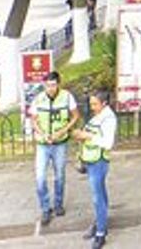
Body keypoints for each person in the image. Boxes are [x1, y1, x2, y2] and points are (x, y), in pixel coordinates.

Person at [29, 71, 81, 224]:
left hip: (60, 142)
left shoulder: (66, 97)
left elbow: (75, 115)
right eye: (47, 85)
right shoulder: (39, 99)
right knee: (40, 177)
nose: (50, 88)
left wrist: (63, 131)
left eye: (53, 85)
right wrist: (42, 134)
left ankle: (58, 204)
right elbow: (33, 120)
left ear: (58, 84)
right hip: (43, 143)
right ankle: (45, 208)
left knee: (60, 176)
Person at [72, 89, 117, 249]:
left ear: (104, 103)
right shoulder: (98, 116)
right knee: (100, 195)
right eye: (91, 104)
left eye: (95, 104)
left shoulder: (108, 119)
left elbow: (107, 142)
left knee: (97, 197)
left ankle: (101, 233)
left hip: (99, 161)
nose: (92, 107)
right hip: (91, 160)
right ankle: (100, 222)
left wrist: (87, 136)